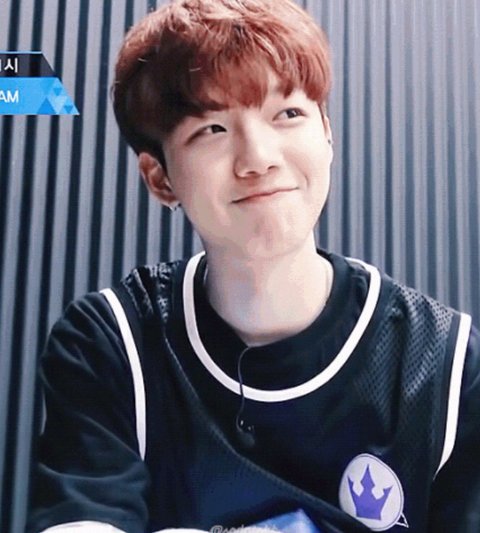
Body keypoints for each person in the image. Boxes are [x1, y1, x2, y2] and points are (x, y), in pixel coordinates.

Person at [27, 0, 480, 532]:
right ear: (160, 177)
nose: (259, 157)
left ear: (327, 133)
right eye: (212, 129)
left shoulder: (446, 366)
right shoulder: (111, 343)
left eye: (287, 114)